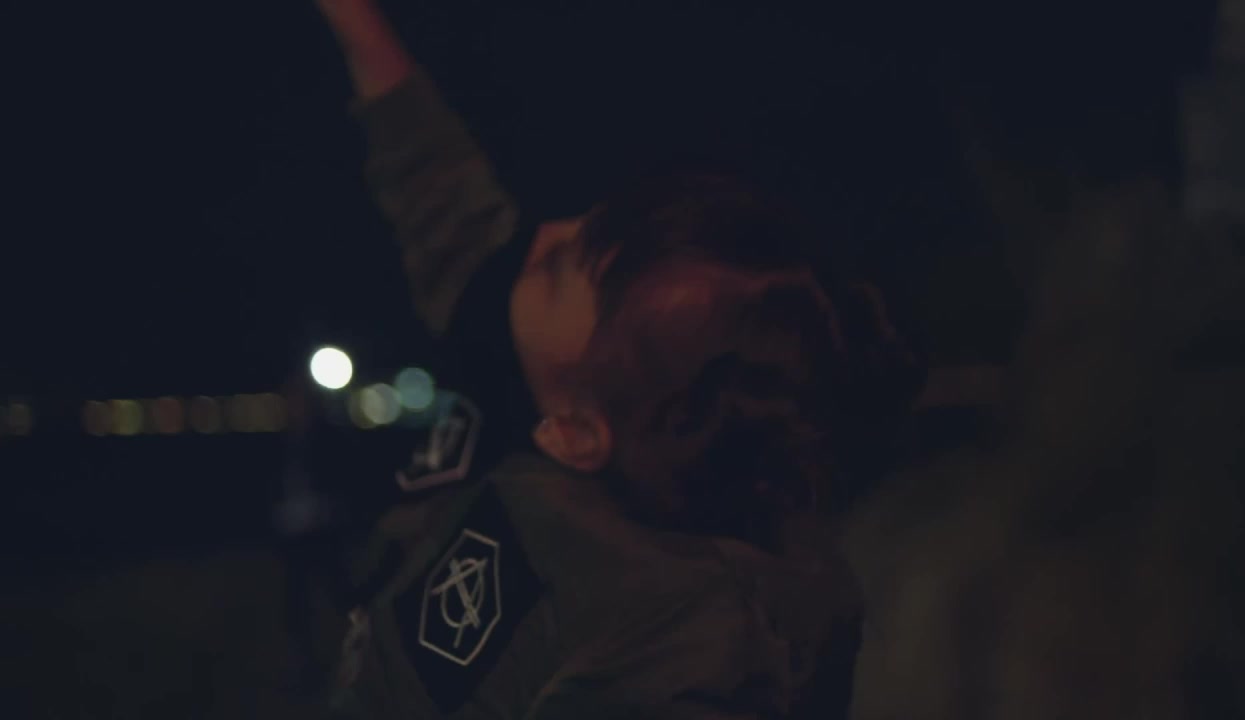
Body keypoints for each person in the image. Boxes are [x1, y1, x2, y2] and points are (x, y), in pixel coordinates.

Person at [313, 1, 921, 717]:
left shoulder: (683, 637)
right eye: (591, 225)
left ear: (574, 433)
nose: (549, 229)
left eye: (560, 268)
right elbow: (433, 180)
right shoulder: (515, 335)